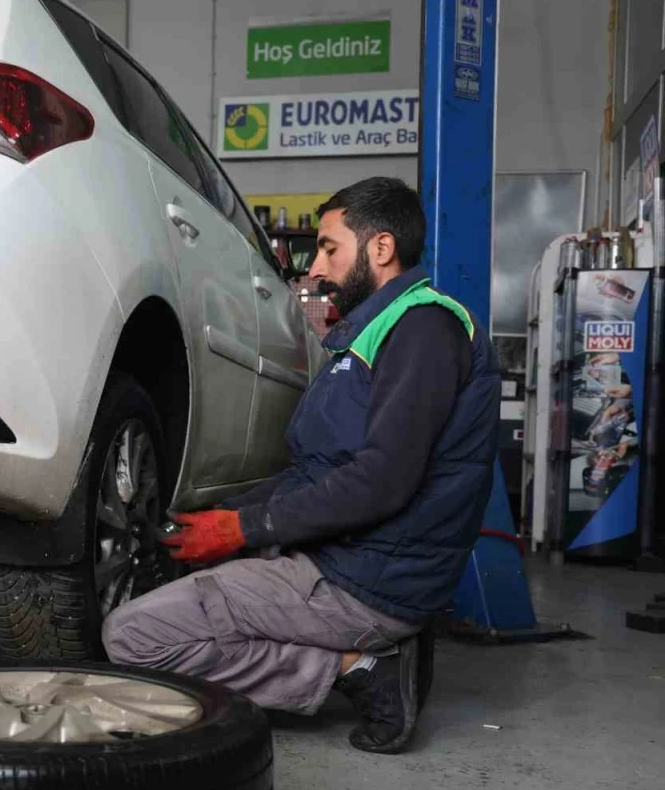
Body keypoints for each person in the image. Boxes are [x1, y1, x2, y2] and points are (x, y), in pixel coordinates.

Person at [103, 177, 500, 754]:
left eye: (329, 248)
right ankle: (366, 649)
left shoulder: (423, 329)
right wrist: (225, 515)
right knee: (195, 573)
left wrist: (243, 529)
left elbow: (382, 480)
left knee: (132, 636)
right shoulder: (372, 334)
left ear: (381, 248)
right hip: (356, 557)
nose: (316, 268)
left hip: (366, 581)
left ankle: (361, 666)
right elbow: (320, 468)